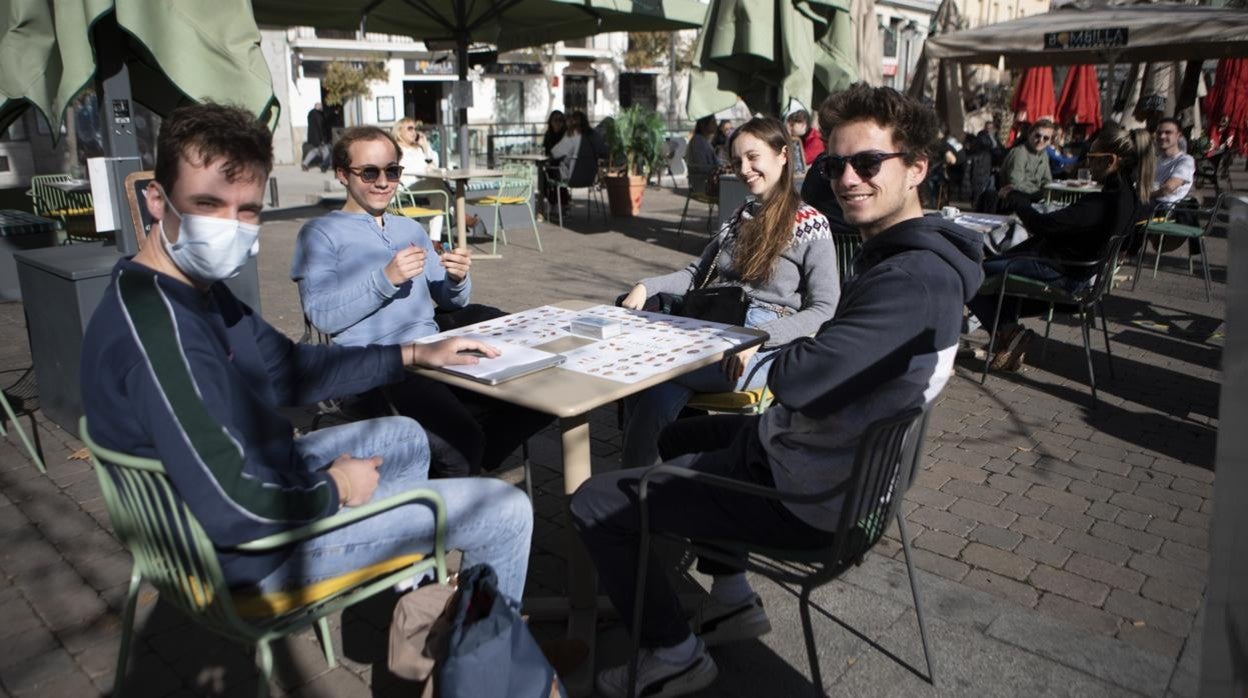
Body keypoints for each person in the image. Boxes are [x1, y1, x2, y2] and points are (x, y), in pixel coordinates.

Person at [570, 84, 983, 698]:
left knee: (594, 502)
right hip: (817, 460)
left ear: (917, 168)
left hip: (810, 495)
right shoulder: (909, 261)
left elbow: (798, 378)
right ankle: (733, 597)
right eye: (835, 164)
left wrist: (766, 341)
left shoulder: (909, 281)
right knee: (683, 432)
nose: (847, 178)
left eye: (868, 163)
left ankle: (675, 653)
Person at [80, 103, 533, 601]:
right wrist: (336, 487)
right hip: (242, 551)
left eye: (248, 209)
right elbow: (236, 510)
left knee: (406, 436)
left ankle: (421, 599)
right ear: (157, 201)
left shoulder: (191, 290)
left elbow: (293, 368)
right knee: (503, 509)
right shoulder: (161, 332)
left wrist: (413, 356)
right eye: (208, 204)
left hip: (262, 475)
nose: (230, 225)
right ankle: (494, 661)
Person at [291, 126, 552, 478]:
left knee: (543, 390)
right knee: (462, 442)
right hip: (376, 365)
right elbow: (322, 316)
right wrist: (385, 279)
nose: (383, 182)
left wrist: (457, 278)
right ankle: (460, 471)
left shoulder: (409, 230)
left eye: (392, 171)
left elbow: (448, 299)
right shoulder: (319, 234)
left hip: (434, 351)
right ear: (342, 174)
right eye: (369, 172)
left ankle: (467, 456)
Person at [616, 116, 841, 468]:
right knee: (653, 379)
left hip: (764, 345)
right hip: (714, 330)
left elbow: (826, 307)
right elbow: (697, 274)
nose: (745, 169)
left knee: (655, 377)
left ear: (783, 155)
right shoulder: (740, 217)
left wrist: (759, 338)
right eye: (737, 162)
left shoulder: (811, 222)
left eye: (753, 157)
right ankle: (654, 482)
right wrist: (648, 286)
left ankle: (635, 486)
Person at [967, 124, 1155, 371]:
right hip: (1081, 272)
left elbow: (1043, 225)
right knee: (1001, 272)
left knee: (970, 275)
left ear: (1110, 161)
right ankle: (1007, 339)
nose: (1087, 164)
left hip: (1063, 275)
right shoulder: (1130, 199)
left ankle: (1007, 333)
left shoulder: (1103, 203)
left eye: (1092, 158)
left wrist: (1017, 200)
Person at [997, 119, 1055, 212]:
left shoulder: (1044, 155)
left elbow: (1047, 181)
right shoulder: (1019, 153)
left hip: (1034, 199)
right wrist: (1039, 192)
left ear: (1049, 141)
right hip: (1015, 202)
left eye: (1046, 138)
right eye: (1037, 135)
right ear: (1029, 134)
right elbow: (1015, 184)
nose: (1040, 140)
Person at [1150, 117, 1195, 204]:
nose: (1162, 136)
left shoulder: (1185, 160)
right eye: (1159, 133)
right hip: (1149, 204)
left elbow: (1168, 188)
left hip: (1163, 209)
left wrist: (1146, 196)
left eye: (1168, 132)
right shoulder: (1157, 159)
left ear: (1178, 136)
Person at [392, 117, 441, 191]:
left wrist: (425, 146)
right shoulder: (395, 149)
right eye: (410, 129)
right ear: (399, 132)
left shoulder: (418, 149)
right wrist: (426, 169)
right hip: (407, 188)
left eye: (415, 129)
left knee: (441, 184)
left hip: (423, 184)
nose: (414, 132)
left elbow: (434, 165)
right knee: (435, 185)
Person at [302, 102, 333, 172]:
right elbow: (320, 127)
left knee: (315, 151)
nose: (322, 108)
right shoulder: (318, 115)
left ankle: (305, 163)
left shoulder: (310, 114)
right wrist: (322, 138)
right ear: (318, 107)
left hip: (313, 138)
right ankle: (325, 165)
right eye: (321, 106)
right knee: (325, 150)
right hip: (319, 137)